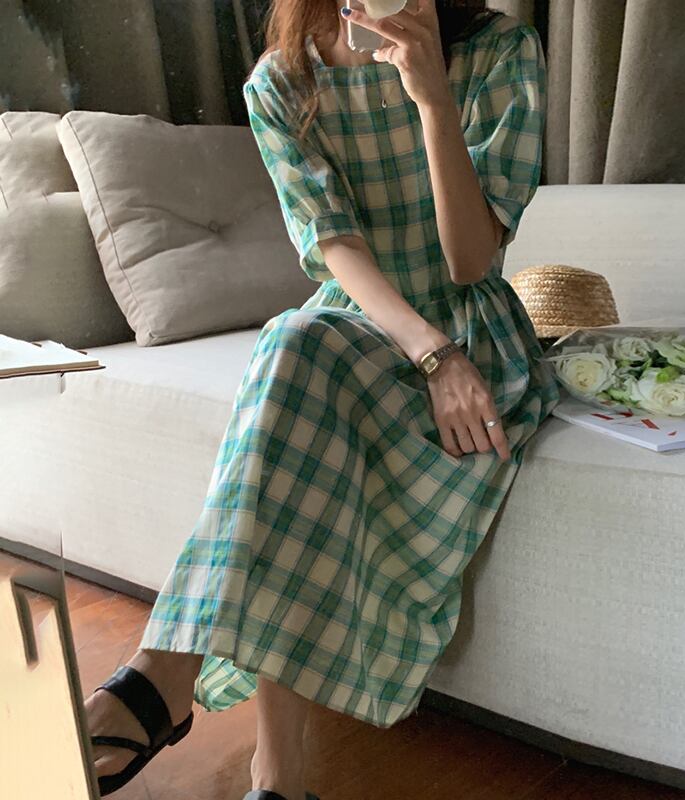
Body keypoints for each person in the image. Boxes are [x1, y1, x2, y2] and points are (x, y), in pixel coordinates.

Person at [83, 2, 561, 799]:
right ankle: (275, 771)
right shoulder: (282, 81)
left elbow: (470, 261)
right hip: (366, 327)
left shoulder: (500, 48)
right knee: (295, 346)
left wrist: (432, 97)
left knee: (296, 365)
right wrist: (427, 354)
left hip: (473, 334)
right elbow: (333, 247)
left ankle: (173, 682)